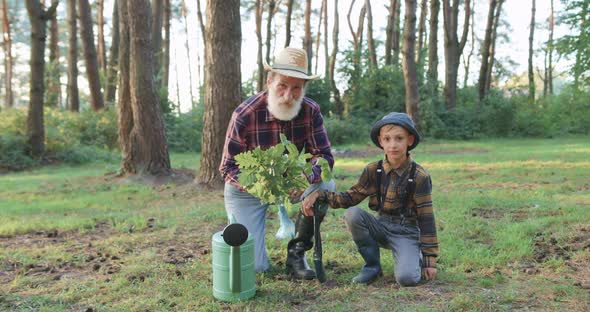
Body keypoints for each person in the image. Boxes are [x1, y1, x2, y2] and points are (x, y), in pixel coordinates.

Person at [219, 47, 335, 279]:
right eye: (282, 85)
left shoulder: (310, 111)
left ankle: (297, 253)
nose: (288, 95)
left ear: (303, 89)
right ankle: (240, 240)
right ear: (270, 81)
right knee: (254, 268)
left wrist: (305, 179)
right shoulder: (245, 113)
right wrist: (259, 184)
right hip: (250, 190)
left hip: (292, 183)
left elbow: (324, 157)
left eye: (296, 88)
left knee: (325, 187)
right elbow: (228, 167)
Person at [302, 112, 438, 286]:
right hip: (381, 225)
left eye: (399, 138)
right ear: (381, 141)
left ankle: (414, 256)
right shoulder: (374, 170)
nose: (393, 145)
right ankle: (372, 266)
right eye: (387, 139)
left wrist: (429, 260)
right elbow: (351, 197)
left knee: (407, 279)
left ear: (410, 140)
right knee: (353, 214)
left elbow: (427, 219)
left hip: (406, 232)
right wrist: (321, 194)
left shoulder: (420, 176)